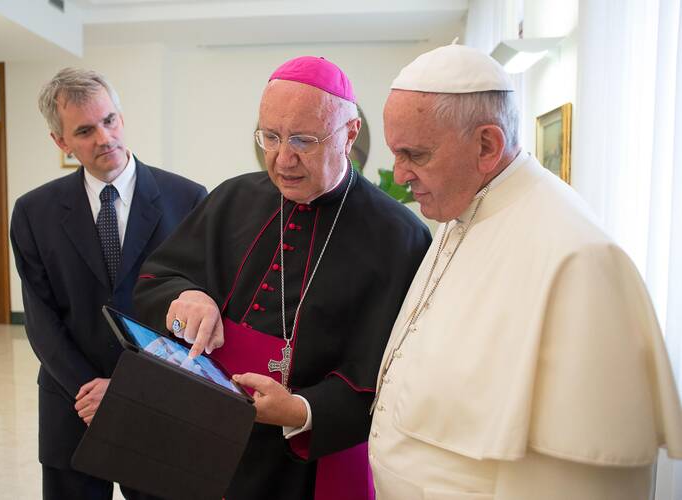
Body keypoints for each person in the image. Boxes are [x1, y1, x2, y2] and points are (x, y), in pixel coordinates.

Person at [369, 44, 682, 499]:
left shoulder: (578, 260)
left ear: (487, 145)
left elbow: (582, 484)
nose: (401, 174)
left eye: (415, 155)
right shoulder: (462, 212)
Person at [133, 56, 431, 500]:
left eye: (303, 140)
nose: (282, 158)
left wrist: (300, 409)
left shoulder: (398, 235)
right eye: (269, 137)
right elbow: (157, 281)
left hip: (302, 462)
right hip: (201, 432)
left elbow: (391, 374)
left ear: (350, 135)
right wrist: (187, 297)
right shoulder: (233, 197)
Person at [10, 67, 207, 500]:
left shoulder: (189, 200)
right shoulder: (33, 212)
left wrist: (128, 389)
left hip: (158, 404)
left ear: (121, 116)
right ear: (60, 142)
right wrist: (89, 388)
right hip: (72, 404)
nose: (104, 138)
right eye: (84, 130)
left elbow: (199, 311)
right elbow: (41, 322)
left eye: (109, 120)